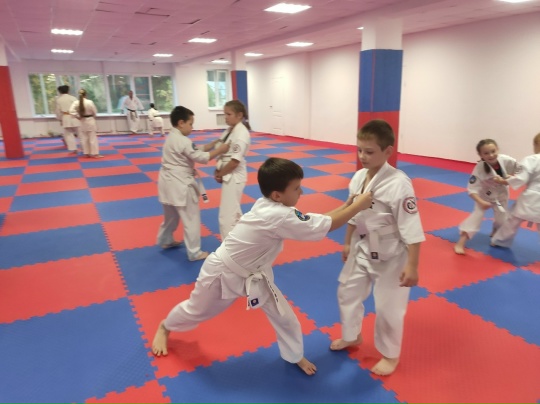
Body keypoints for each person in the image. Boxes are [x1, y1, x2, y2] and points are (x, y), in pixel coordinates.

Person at [152, 157, 373, 375]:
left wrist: (347, 205)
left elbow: (318, 221)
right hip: (222, 272)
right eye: (296, 188)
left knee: (285, 317)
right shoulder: (278, 215)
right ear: (277, 195)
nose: (301, 192)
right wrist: (358, 207)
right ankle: (165, 326)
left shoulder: (270, 204)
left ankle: (294, 355)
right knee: (197, 311)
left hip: (255, 274)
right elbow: (325, 226)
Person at [330, 119, 425, 377]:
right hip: (363, 245)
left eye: (369, 151)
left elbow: (411, 226)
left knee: (388, 307)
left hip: (392, 253)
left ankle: (391, 354)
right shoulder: (359, 177)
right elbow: (353, 211)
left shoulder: (399, 183)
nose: (362, 156)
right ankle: (352, 335)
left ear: (388, 151)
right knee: (347, 291)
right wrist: (347, 241)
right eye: (359, 150)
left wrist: (412, 265)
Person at [156, 106, 229, 261]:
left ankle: (165, 240)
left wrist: (212, 144)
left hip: (166, 182)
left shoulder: (172, 137)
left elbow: (195, 150)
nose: (192, 127)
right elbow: (201, 157)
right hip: (180, 183)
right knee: (191, 218)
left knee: (171, 216)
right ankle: (194, 252)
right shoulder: (183, 141)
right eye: (190, 124)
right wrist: (221, 150)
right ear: (181, 123)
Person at [454, 139, 517, 254]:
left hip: (501, 194)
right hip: (484, 196)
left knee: (502, 219)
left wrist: (510, 177)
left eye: (493, 151)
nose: (491, 155)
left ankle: (496, 232)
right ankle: (460, 243)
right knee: (476, 216)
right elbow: (471, 189)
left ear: (497, 149)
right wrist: (481, 202)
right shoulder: (479, 168)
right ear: (480, 155)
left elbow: (522, 171)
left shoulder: (506, 160)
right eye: (486, 153)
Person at [491, 133, 540, 247]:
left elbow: (521, 178)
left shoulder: (533, 159)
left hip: (532, 197)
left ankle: (500, 241)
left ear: (537, 144)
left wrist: (504, 181)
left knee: (513, 219)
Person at [214, 100, 251, 239]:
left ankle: (228, 248)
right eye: (225, 114)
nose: (225, 117)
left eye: (228, 114)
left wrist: (220, 174)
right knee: (234, 213)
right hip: (227, 174)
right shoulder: (229, 130)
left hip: (234, 176)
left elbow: (235, 162)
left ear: (239, 115)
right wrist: (218, 170)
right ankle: (244, 239)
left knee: (226, 217)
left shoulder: (241, 134)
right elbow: (220, 149)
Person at [69, 89, 102, 158]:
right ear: (86, 95)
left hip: (82, 120)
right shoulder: (89, 102)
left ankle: (86, 153)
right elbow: (94, 112)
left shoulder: (76, 103)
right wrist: (93, 117)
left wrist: (78, 116)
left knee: (84, 138)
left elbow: (71, 111)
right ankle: (95, 154)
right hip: (90, 120)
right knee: (92, 138)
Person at [55, 85, 80, 154]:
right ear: (68, 90)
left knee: (68, 134)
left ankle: (74, 149)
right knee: (81, 134)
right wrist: (79, 116)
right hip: (75, 117)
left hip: (65, 117)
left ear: (59, 92)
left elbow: (58, 111)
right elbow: (78, 108)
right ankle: (85, 149)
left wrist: (60, 119)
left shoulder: (59, 100)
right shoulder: (73, 98)